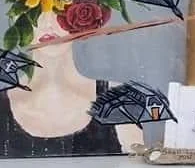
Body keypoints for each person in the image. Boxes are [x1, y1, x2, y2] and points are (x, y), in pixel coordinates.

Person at [0, 12, 142, 157]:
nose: (48, 24)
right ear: (18, 18)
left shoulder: (118, 100)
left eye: (59, 9)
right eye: (36, 11)